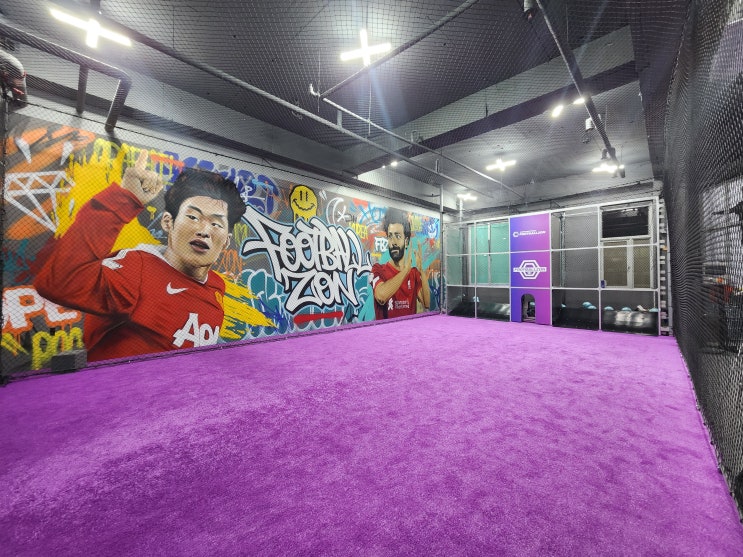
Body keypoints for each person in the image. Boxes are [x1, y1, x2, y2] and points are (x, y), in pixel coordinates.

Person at [34, 149, 246, 362]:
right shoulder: (138, 270)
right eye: (193, 217)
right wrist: (125, 198)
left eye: (216, 224)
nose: (204, 230)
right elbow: (60, 282)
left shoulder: (216, 285)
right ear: (168, 222)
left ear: (226, 240)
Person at [371, 208, 431, 319]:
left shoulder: (413, 273)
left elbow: (426, 303)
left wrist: (421, 270)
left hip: (409, 328)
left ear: (406, 241)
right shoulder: (378, 269)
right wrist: (405, 271)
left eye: (398, 236)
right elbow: (381, 296)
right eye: (390, 236)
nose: (393, 242)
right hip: (386, 330)